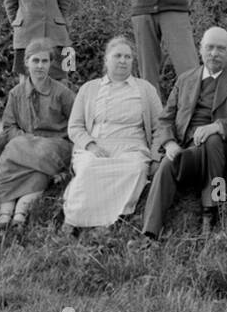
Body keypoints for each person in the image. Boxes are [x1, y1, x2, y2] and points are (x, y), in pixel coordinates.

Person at [143, 27, 227, 239]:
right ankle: (149, 233)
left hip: (222, 151)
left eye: (220, 49)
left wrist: (217, 126)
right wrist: (169, 143)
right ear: (200, 49)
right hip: (187, 148)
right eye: (210, 47)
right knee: (168, 163)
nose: (214, 53)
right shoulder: (185, 80)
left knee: (213, 140)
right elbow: (165, 118)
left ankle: (211, 210)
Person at [62, 36, 164, 231]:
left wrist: (155, 156)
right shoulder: (89, 89)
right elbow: (75, 126)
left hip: (132, 148)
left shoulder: (145, 89)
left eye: (128, 57)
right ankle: (74, 221)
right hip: (97, 145)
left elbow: (160, 127)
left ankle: (107, 223)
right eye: (117, 56)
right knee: (89, 168)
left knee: (134, 169)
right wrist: (91, 146)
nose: (123, 61)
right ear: (106, 60)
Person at [0, 38, 75, 235]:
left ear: (50, 63)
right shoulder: (16, 93)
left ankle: (21, 210)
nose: (40, 66)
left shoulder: (62, 93)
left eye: (44, 61)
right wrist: (25, 140)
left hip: (54, 147)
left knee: (39, 154)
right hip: (23, 145)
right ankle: (6, 212)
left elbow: (76, 124)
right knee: (11, 158)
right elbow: (9, 126)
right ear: (27, 63)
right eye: (35, 61)